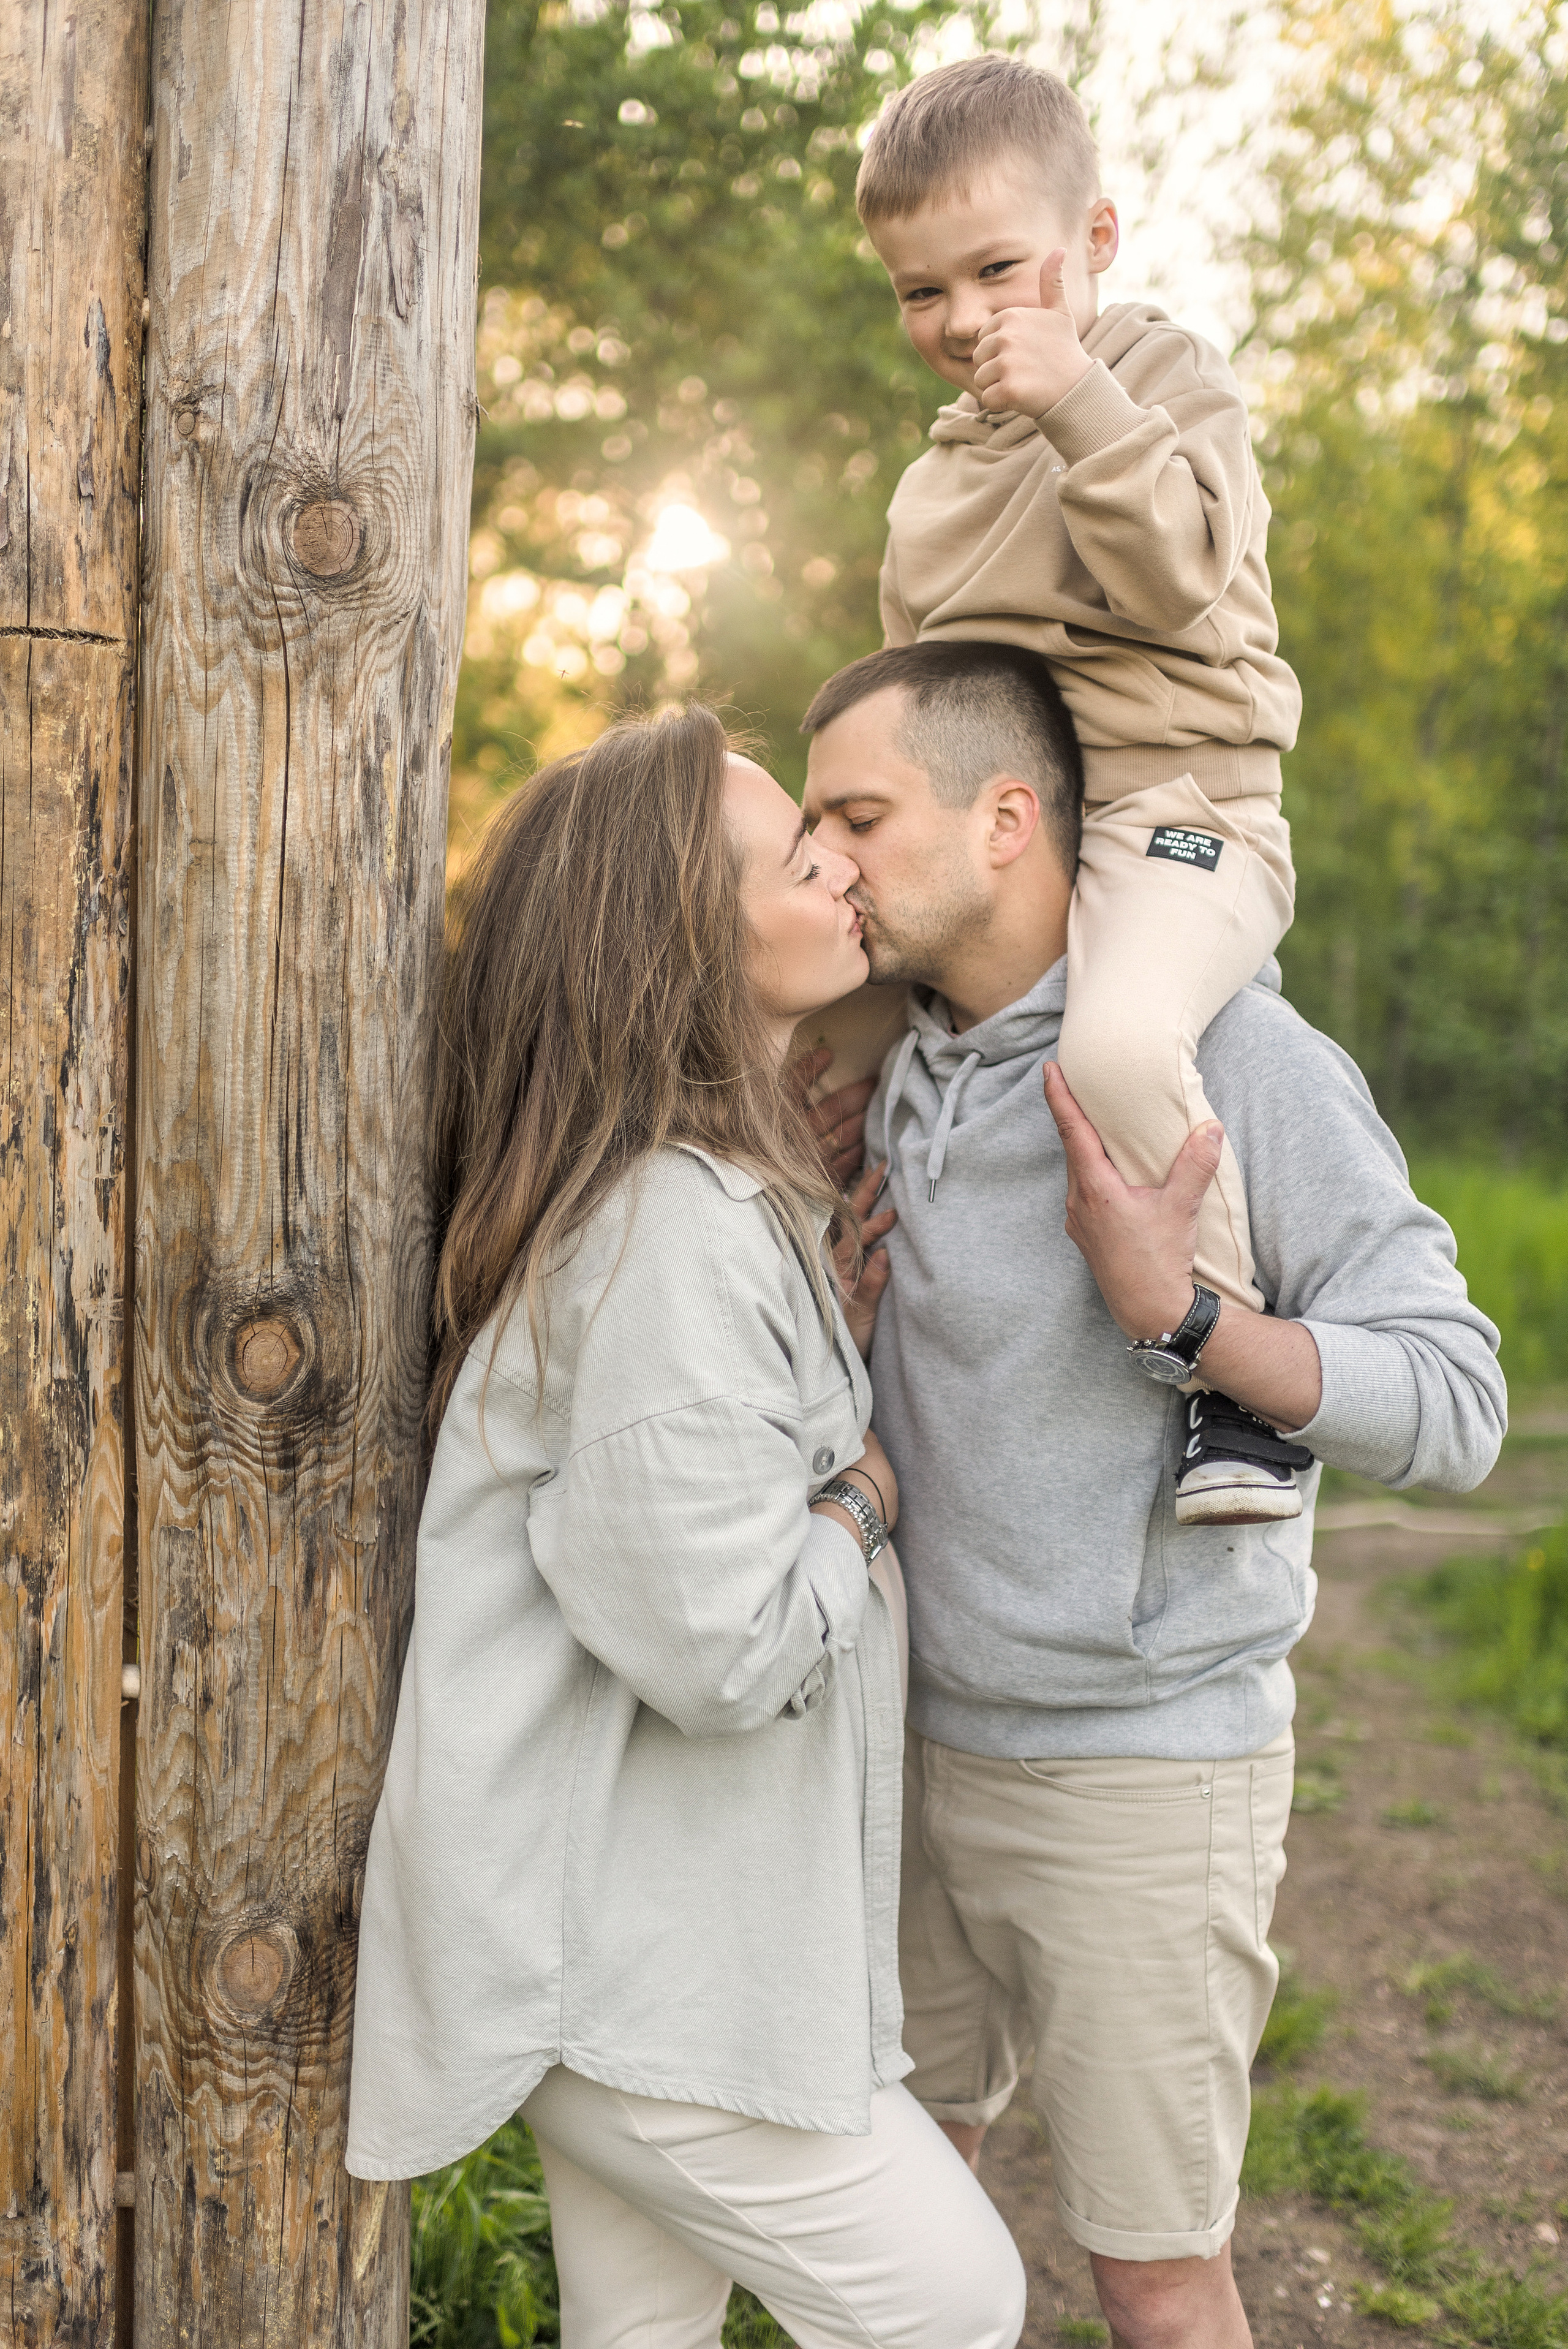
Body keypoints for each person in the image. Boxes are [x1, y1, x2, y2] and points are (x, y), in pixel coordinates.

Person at [799, 640, 1507, 2349]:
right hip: (901, 1747)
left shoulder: (1231, 1061)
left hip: (1138, 1765)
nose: (826, 860)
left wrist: (1185, 1315)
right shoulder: (892, 1072)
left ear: (1009, 820)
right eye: (811, 822)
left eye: (861, 815)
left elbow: (1461, 1402)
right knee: (912, 2229)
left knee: (1155, 2278)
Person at [344, 706, 1027, 2349]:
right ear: (687, 934)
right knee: (952, 2302)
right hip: (618, 1975)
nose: (848, 870)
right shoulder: (667, 1234)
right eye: (807, 852)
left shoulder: (702, 1198)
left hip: (672, 1946)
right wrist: (866, 1490)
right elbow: (721, 1648)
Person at [858, 55, 1305, 1524]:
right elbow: (914, 700)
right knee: (817, 1017)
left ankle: (1232, 1389)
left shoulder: (1165, 381)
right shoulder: (929, 488)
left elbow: (1178, 583)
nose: (964, 320)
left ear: (1093, 242)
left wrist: (1082, 405)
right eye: (922, 291)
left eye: (996, 270)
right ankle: (831, 1355)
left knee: (1114, 1043)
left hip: (1182, 811)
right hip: (1018, 830)